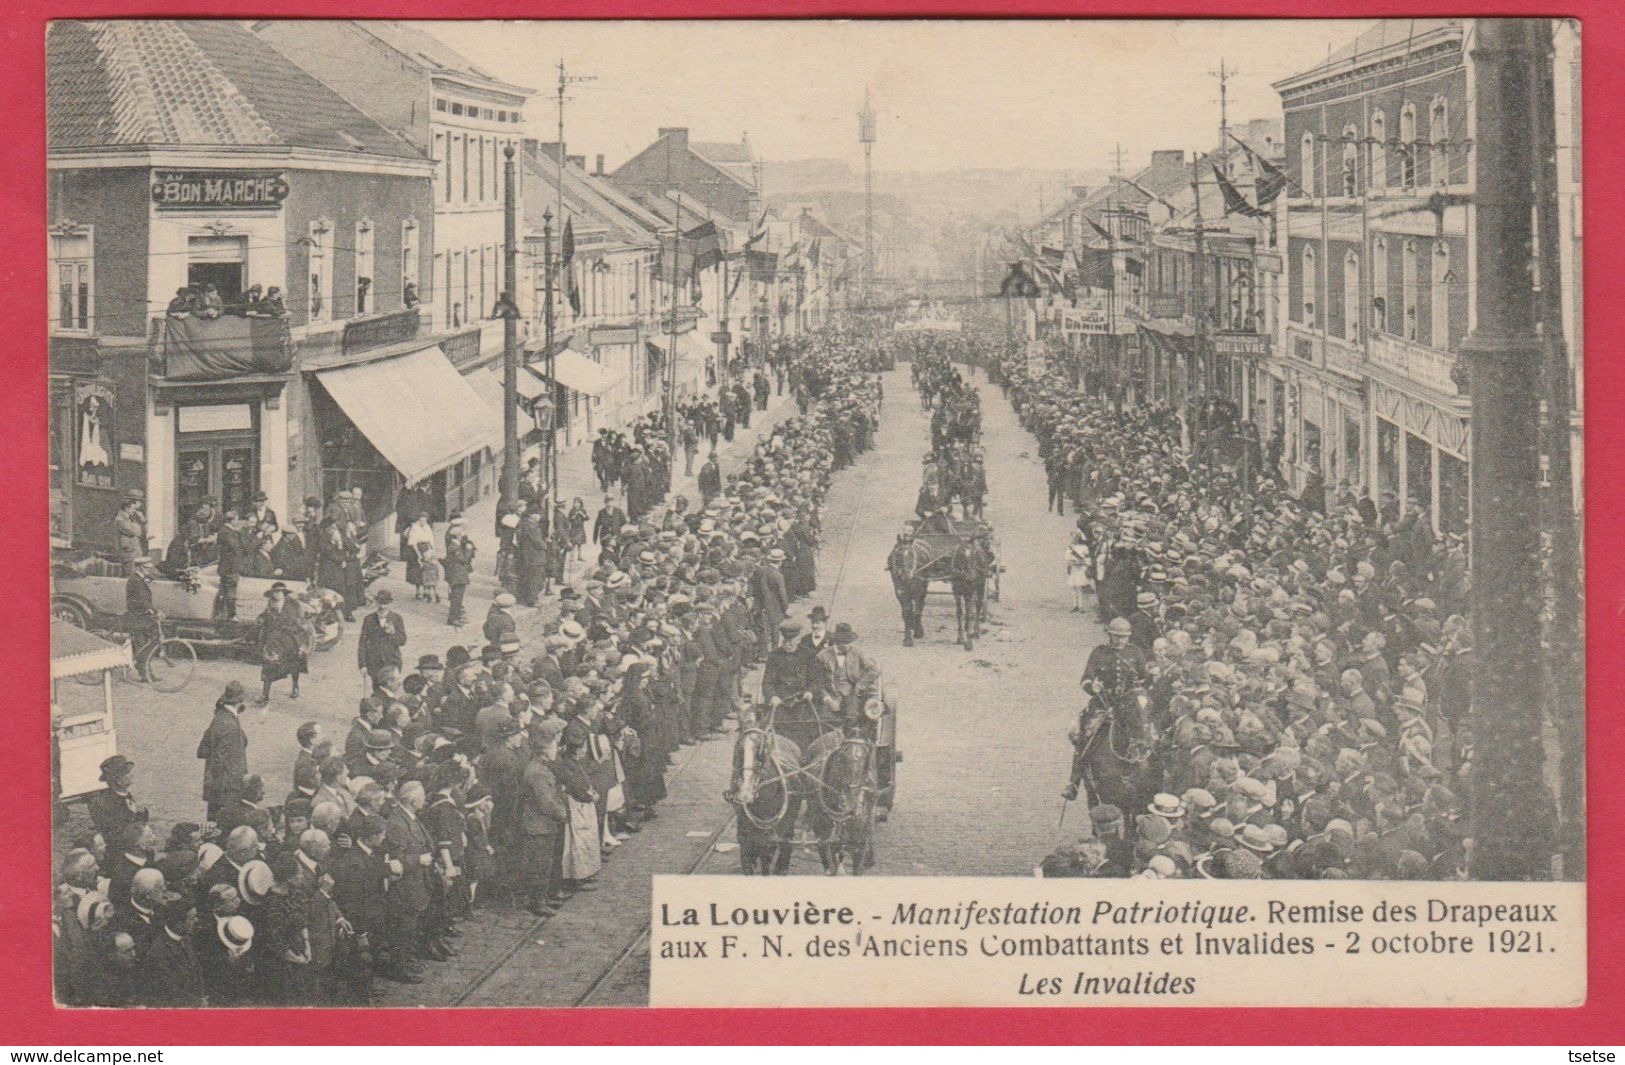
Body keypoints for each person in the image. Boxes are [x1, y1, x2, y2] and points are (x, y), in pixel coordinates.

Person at [197, 681, 250, 824]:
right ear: (240, 701)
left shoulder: (220, 716)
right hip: (226, 784)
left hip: (218, 783)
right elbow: (220, 758)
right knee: (225, 821)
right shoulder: (230, 723)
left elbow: (204, 749)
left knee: (214, 819)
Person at [255, 582, 307, 705]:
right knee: (268, 665)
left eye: (280, 592)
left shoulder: (294, 605)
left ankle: (295, 686)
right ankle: (265, 695)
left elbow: (300, 622)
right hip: (274, 640)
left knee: (294, 665)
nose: (277, 594)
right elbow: (265, 617)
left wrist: (294, 628)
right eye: (275, 592)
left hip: (290, 639)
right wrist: (260, 619)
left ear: (284, 593)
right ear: (272, 594)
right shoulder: (270, 605)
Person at [88, 755, 148, 843]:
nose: (132, 775)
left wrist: (142, 811)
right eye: (127, 773)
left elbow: (140, 821)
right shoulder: (104, 804)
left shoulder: (126, 795)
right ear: (118, 780)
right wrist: (133, 813)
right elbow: (114, 834)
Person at [357, 590, 407, 692]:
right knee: (377, 691)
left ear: (390, 603)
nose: (382, 606)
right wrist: (362, 665)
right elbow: (362, 643)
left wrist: (393, 633)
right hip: (374, 663)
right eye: (380, 603)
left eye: (385, 604)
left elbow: (402, 641)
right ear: (376, 602)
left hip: (392, 662)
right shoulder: (368, 619)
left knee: (391, 692)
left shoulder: (397, 618)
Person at [442, 519, 476, 627]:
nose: (462, 536)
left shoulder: (456, 545)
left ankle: (457, 616)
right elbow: (464, 559)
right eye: (460, 535)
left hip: (459, 575)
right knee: (456, 598)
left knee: (459, 597)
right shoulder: (454, 547)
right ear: (457, 536)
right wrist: (469, 549)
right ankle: (452, 618)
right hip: (457, 576)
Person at [114, 491, 149, 572]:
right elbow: (138, 532)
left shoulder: (130, 518)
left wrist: (142, 520)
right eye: (133, 507)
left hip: (134, 556)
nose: (135, 509)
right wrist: (142, 521)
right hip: (128, 557)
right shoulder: (121, 519)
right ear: (128, 505)